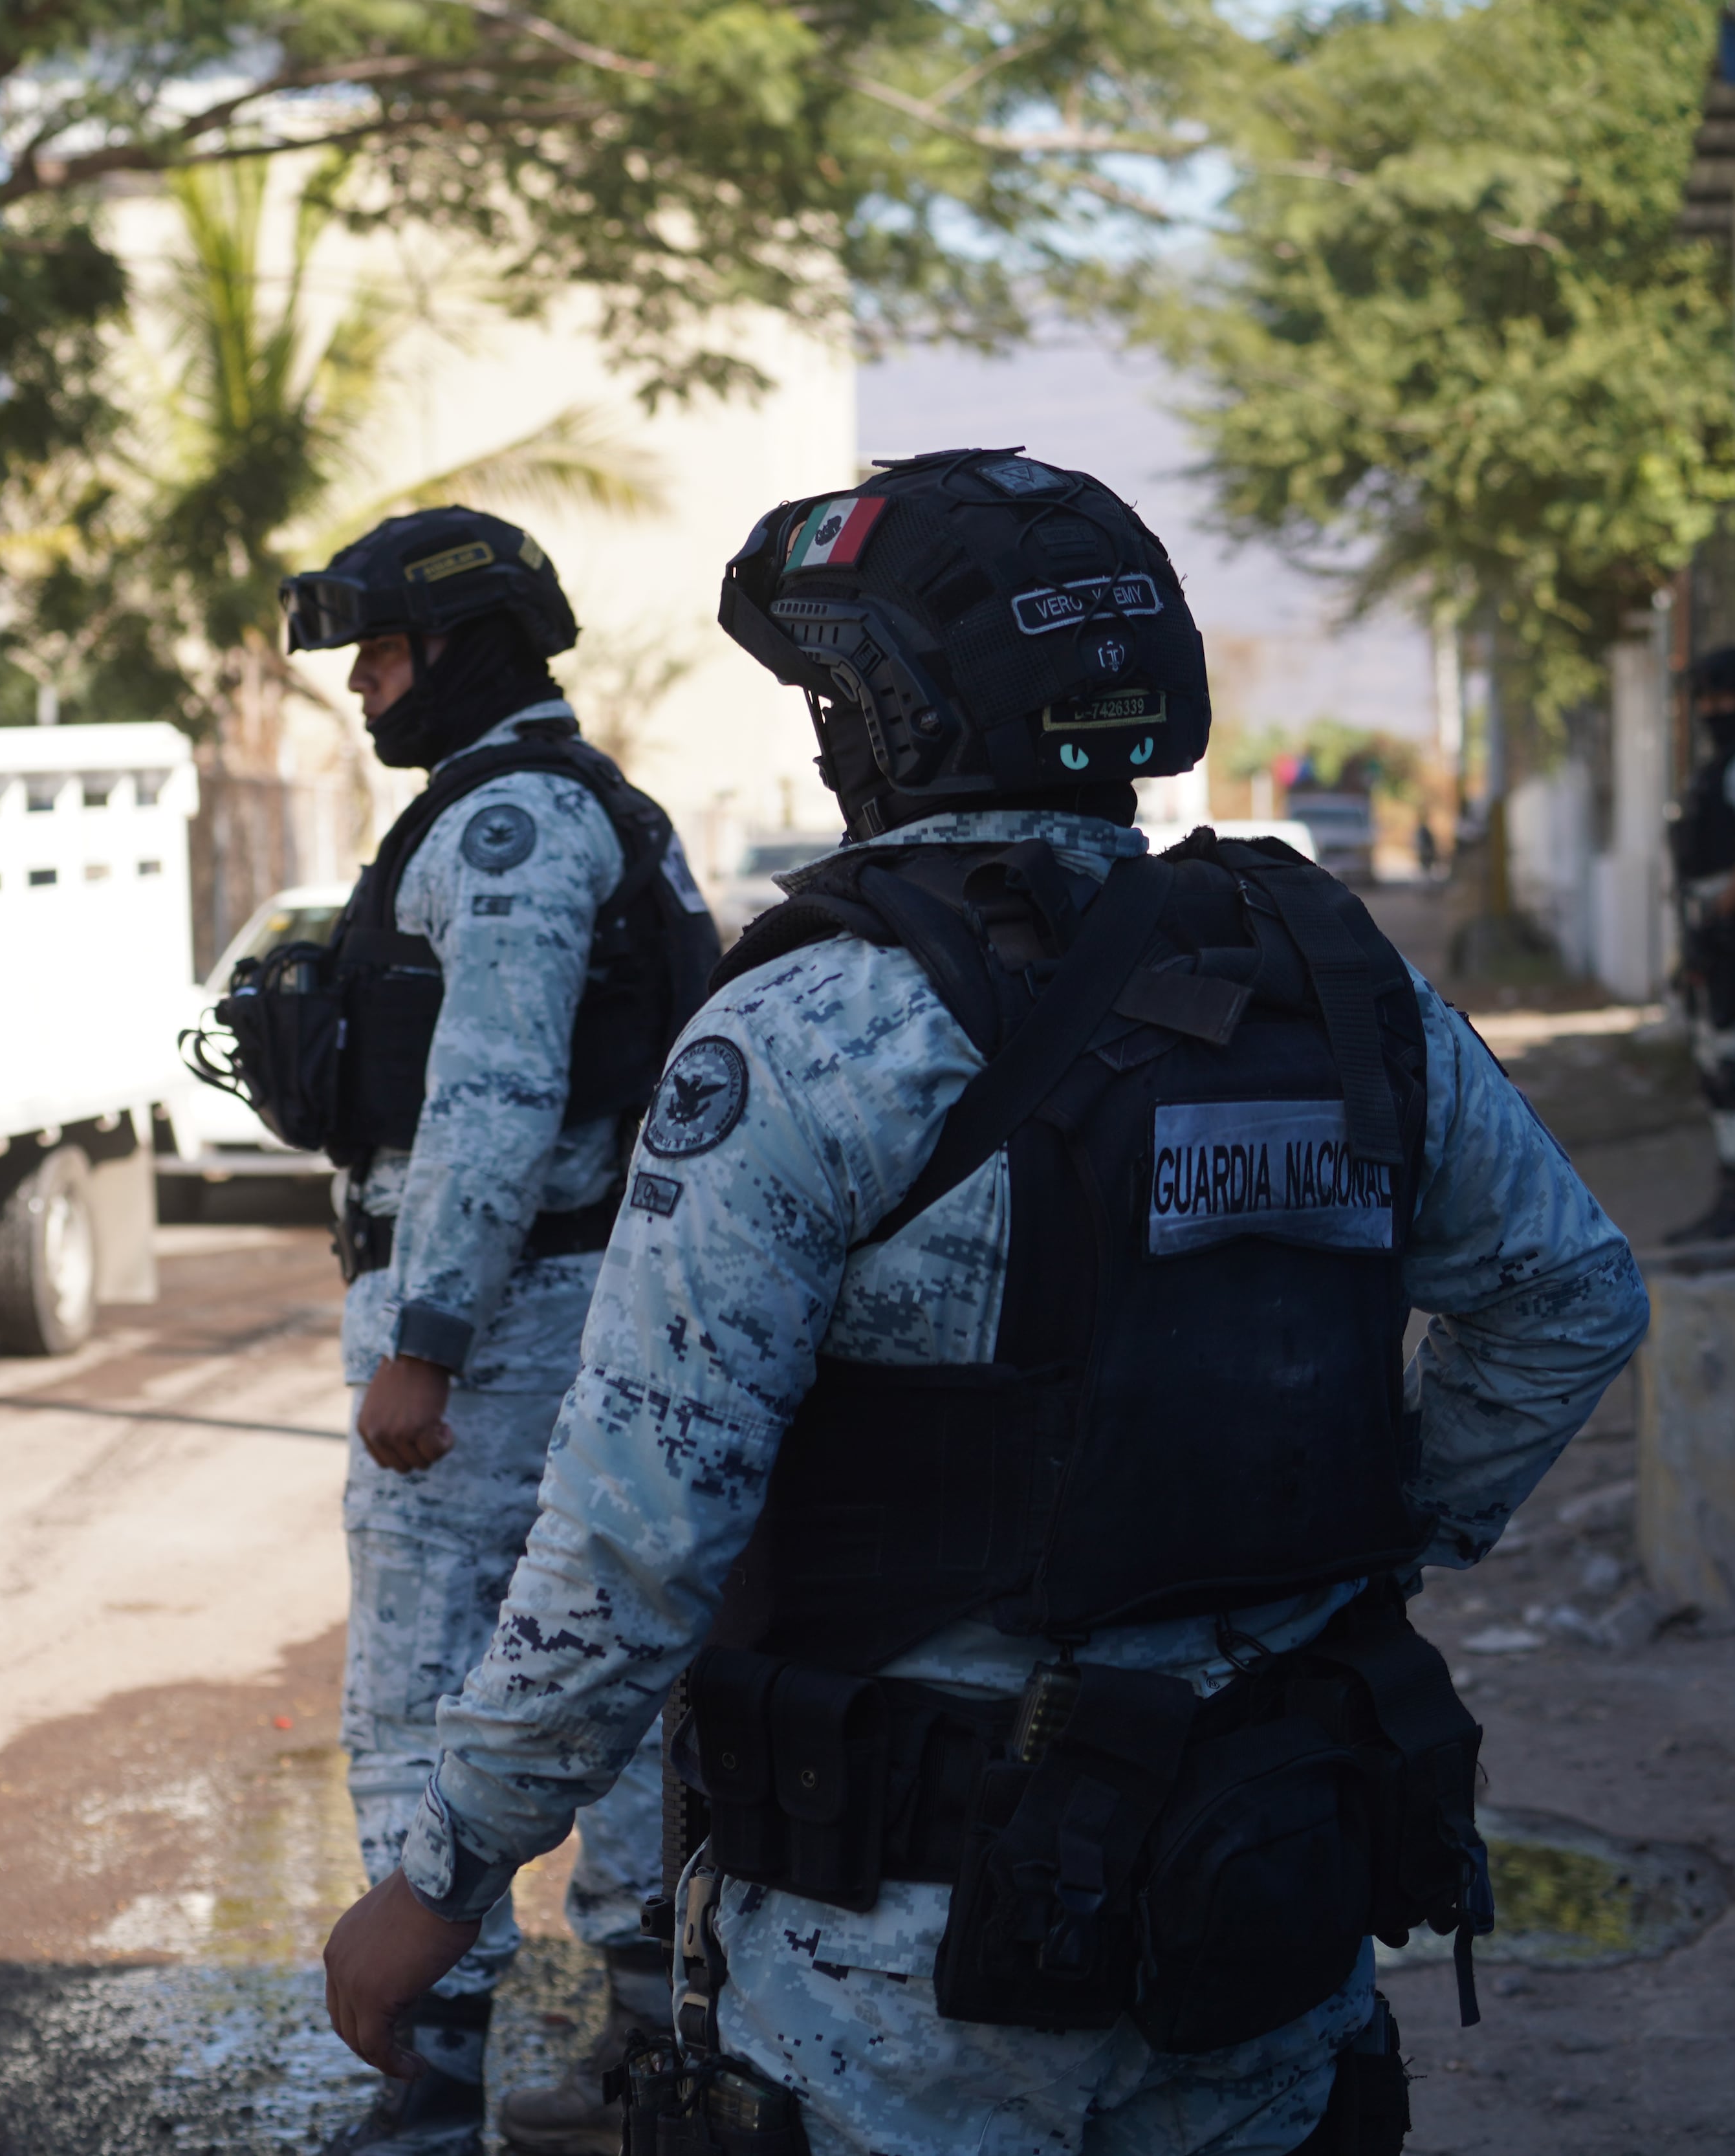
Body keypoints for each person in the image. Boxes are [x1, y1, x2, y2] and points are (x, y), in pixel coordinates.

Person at [318, 451, 1652, 2156]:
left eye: (827, 694)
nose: (820, 734)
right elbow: (1564, 1300)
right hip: (1267, 1879)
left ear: (894, 716)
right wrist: (1354, 1542)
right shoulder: (1330, 975)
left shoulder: (808, 1030)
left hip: (916, 1961)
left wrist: (446, 1867)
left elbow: (640, 1532)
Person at [270, 506, 717, 2155]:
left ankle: (431, 2079)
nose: (366, 688)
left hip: (510, 1327)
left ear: (461, 648)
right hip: (591, 1312)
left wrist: (429, 1340)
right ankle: (654, 2054)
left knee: (417, 1685)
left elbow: (497, 1097)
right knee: (602, 1672)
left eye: (382, 654)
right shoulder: (591, 809)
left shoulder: (514, 824)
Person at [1668, 647, 1735, 1245]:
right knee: (1715, 1068)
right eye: (1706, 698)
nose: (1713, 709)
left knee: (1733, 1067)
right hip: (1710, 932)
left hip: (1734, 934)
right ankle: (1731, 1196)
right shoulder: (1718, 765)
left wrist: (1718, 915)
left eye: (1725, 697)